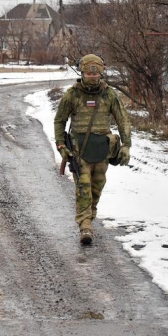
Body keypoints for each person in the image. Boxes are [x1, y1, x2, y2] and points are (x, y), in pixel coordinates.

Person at [54, 54, 131, 245]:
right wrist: (61, 145)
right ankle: (85, 227)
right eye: (88, 73)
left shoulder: (109, 95)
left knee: (96, 189)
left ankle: (90, 216)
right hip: (79, 153)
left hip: (102, 152)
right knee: (83, 188)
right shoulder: (72, 95)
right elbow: (59, 121)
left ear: (101, 73)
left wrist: (126, 145)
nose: (92, 76)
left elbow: (123, 120)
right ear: (82, 72)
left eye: (95, 73)